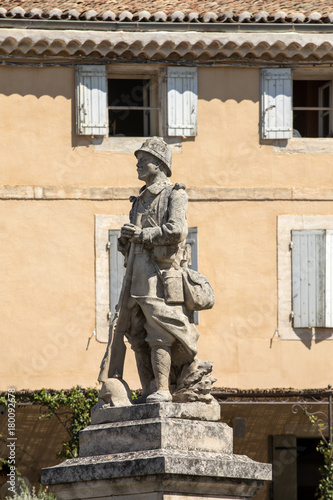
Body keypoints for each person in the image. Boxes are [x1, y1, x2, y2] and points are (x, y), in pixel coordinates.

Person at [116, 137, 199, 403]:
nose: (138, 166)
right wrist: (125, 239)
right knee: (136, 334)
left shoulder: (175, 194)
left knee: (159, 332)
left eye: (144, 161)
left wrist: (142, 234)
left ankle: (164, 388)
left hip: (160, 276)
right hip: (136, 276)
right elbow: (130, 244)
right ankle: (149, 388)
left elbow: (177, 230)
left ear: (160, 164)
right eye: (138, 161)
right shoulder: (137, 201)